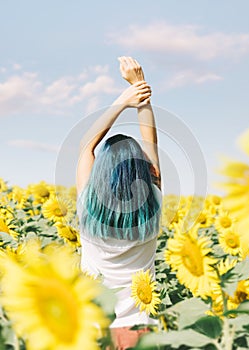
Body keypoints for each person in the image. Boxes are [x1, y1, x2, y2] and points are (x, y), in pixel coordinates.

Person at [76, 57, 162, 349]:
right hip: (140, 331)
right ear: (145, 172)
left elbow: (87, 146)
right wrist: (139, 87)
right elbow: (152, 146)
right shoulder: (155, 206)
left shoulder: (86, 207)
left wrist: (122, 100)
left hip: (94, 330)